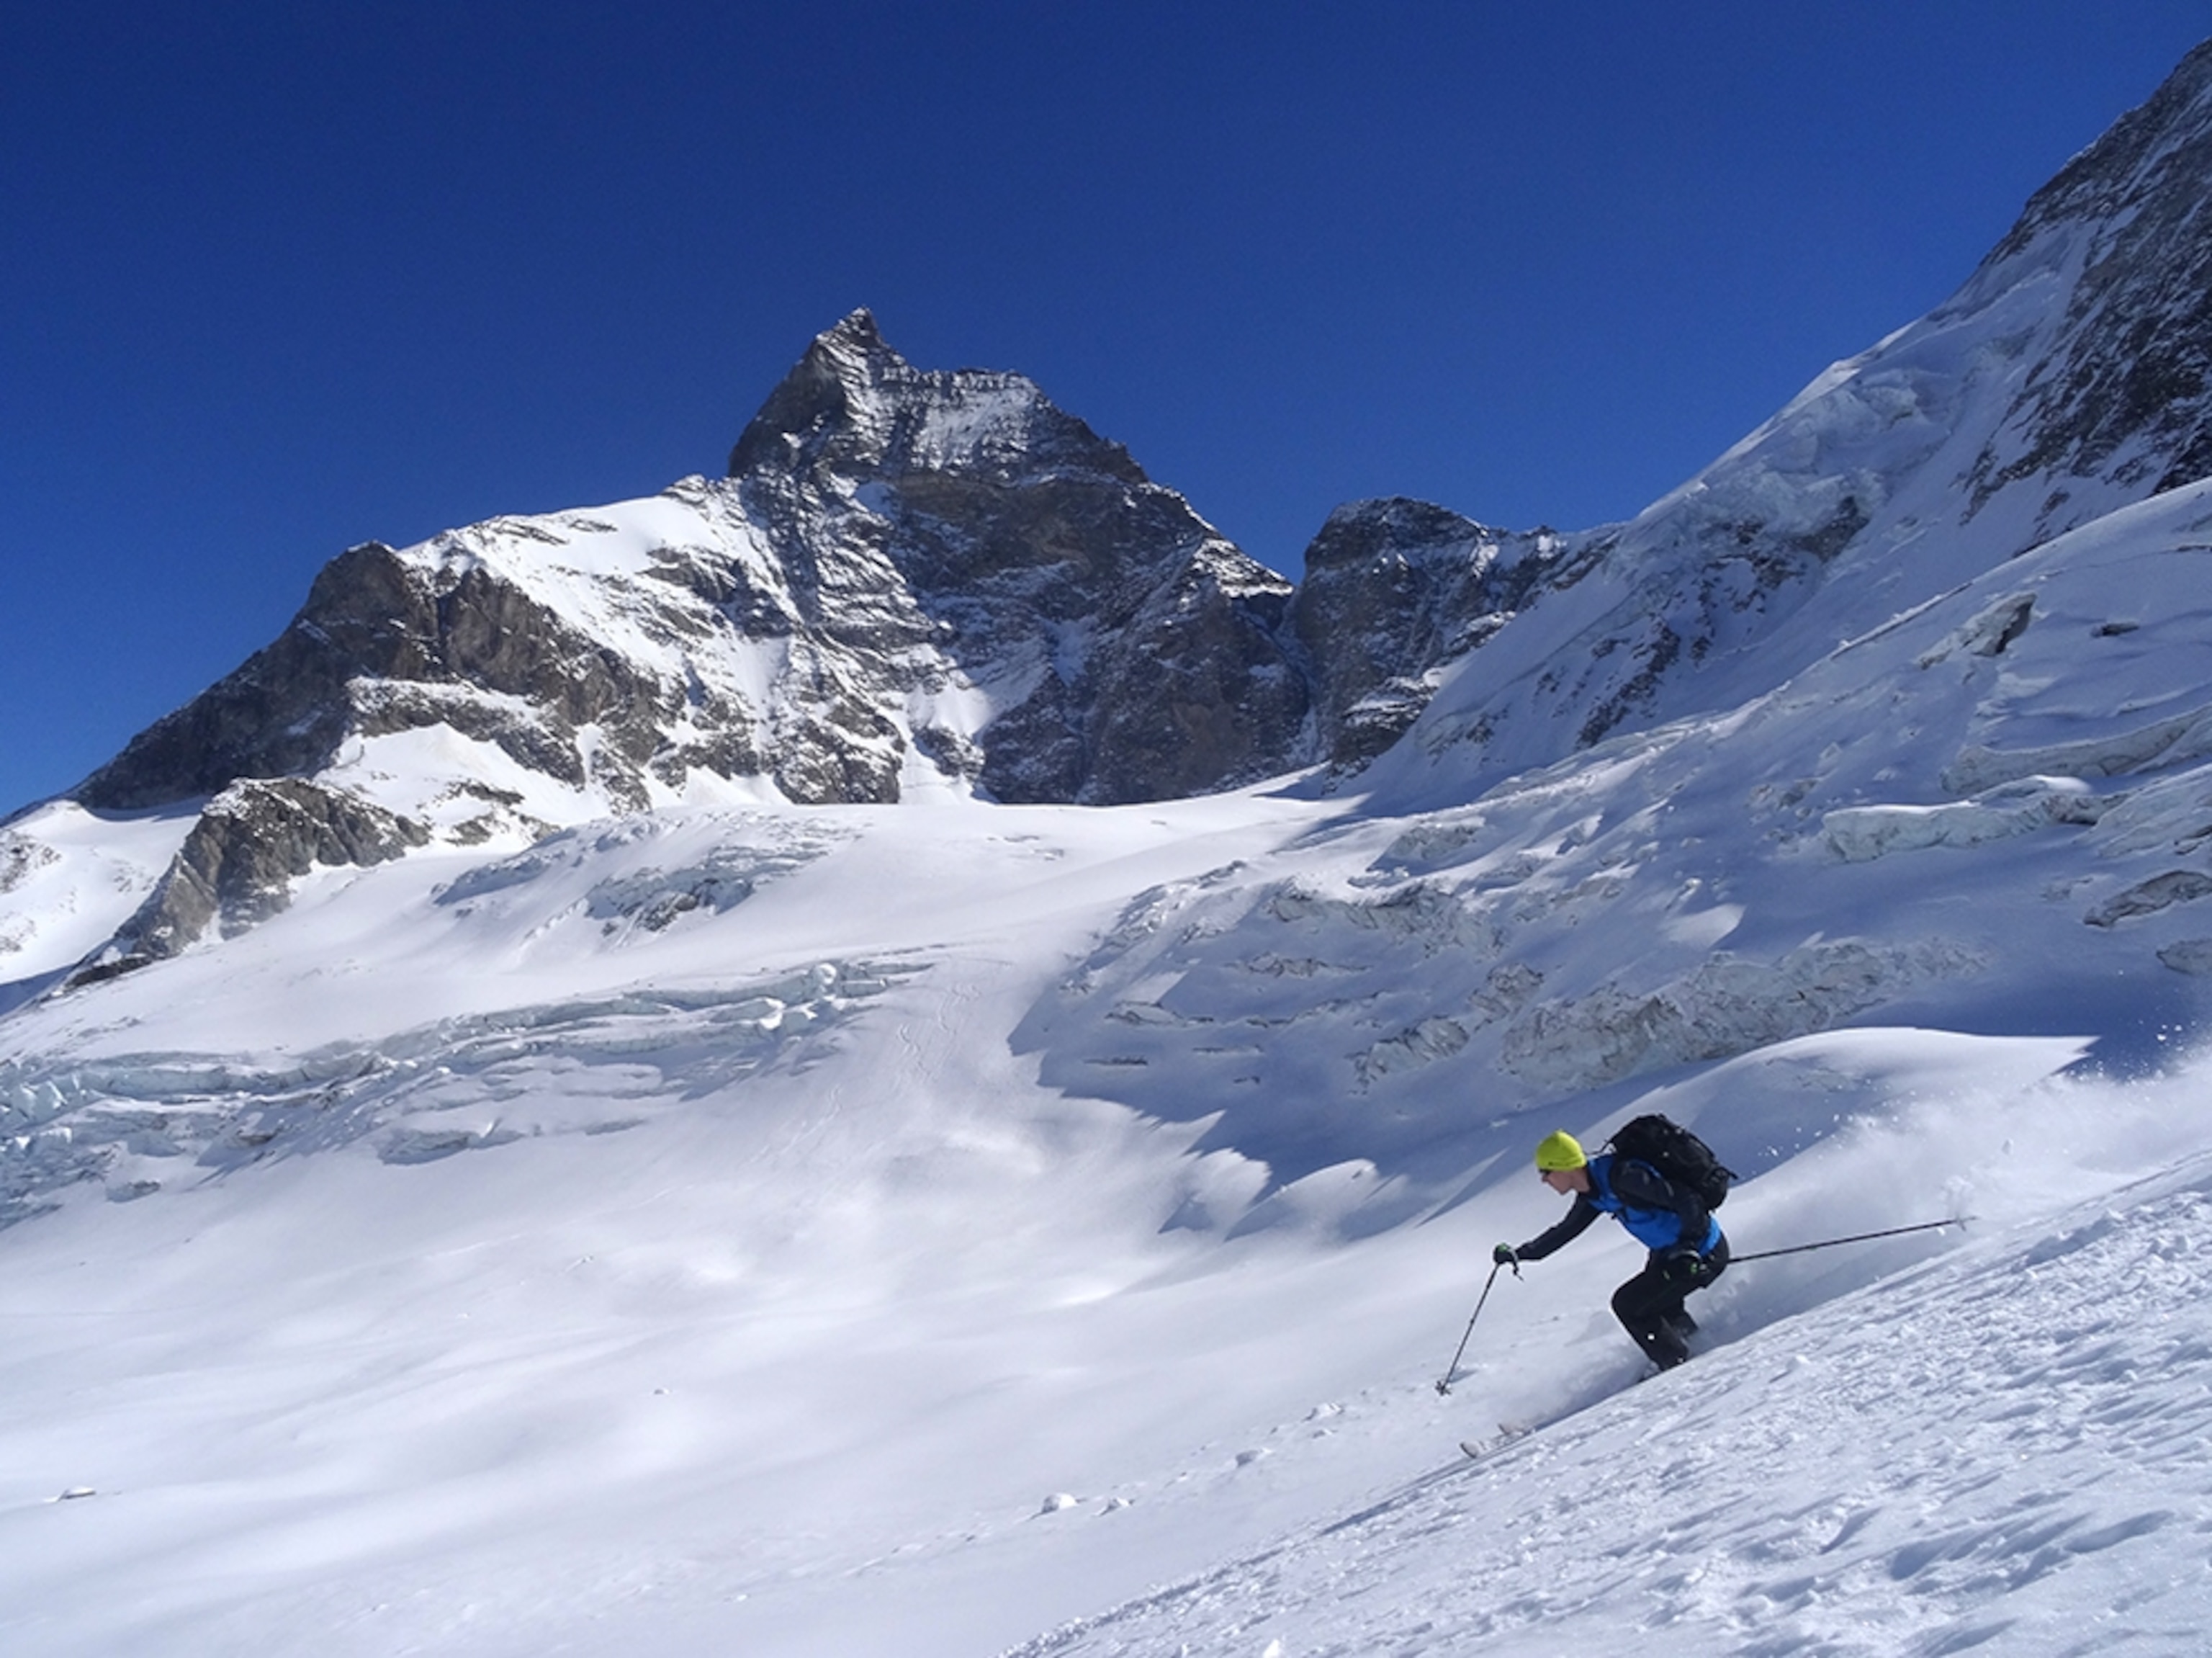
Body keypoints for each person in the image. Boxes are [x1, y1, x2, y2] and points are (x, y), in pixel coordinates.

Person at [1493, 1129, 1728, 1371]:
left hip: (1702, 1251)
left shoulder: (1624, 1178)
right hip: (1672, 1254)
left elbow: (1687, 1199)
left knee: (1628, 1305)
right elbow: (1566, 1231)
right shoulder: (1593, 1193)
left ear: (1564, 1167)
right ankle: (1696, 1347)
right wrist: (1520, 1253)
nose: (1544, 1180)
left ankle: (1677, 1366)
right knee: (1659, 1305)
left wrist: (1689, 1247)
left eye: (1546, 1172)